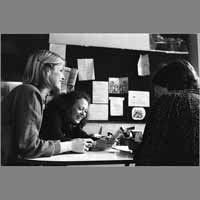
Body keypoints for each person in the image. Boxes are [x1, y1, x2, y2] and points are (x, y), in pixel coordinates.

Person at [1, 50, 93, 165]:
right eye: (60, 71)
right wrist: (70, 145)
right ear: (47, 70)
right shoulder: (29, 93)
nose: (63, 77)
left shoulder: (32, 94)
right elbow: (28, 146)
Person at [135, 59, 200, 166]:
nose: (157, 97)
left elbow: (149, 151)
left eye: (158, 93)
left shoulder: (170, 100)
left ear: (169, 85)